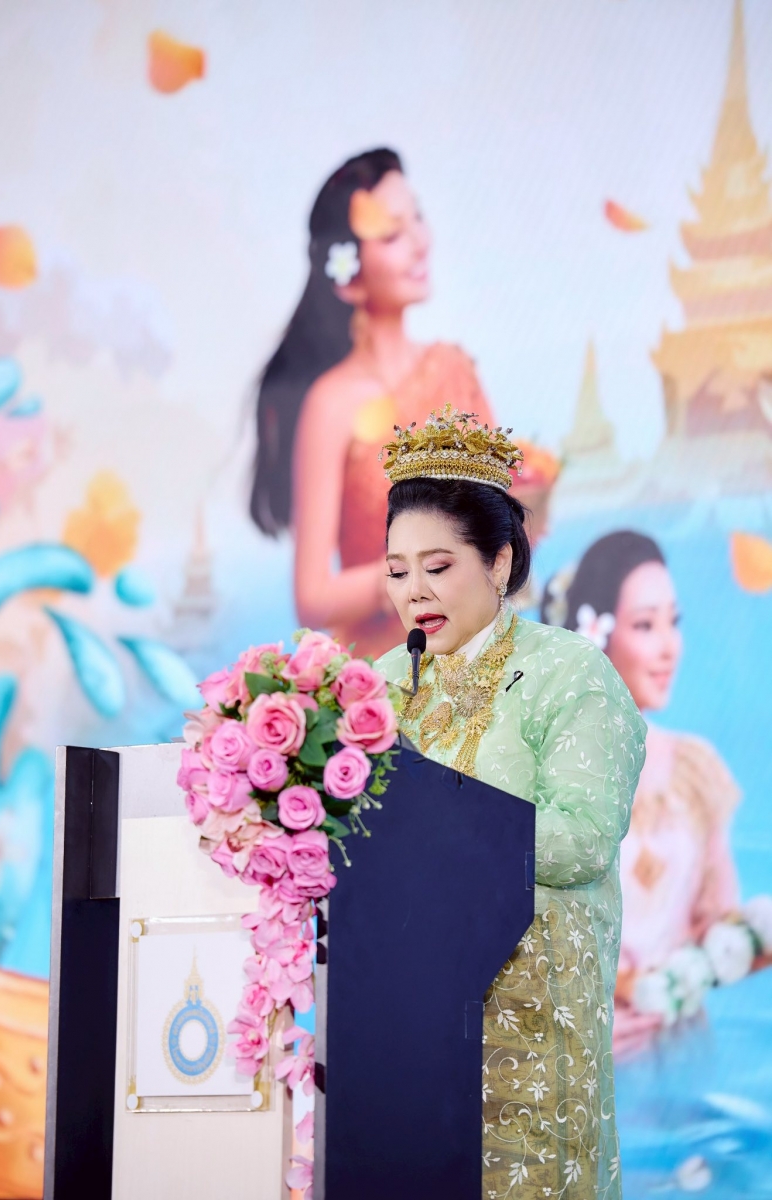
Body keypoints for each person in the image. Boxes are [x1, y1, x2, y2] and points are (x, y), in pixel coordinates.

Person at [375, 408, 646, 1199]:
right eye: (396, 572)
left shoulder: (571, 673)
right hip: (398, 1020)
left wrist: (439, 829)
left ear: (499, 562)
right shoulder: (378, 686)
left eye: (437, 566)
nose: (414, 592)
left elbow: (584, 837)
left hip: (526, 1023)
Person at [249, 148, 494, 658]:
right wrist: (417, 572)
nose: (420, 242)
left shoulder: (455, 371)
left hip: (479, 656)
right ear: (349, 274)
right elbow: (313, 596)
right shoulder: (332, 403)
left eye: (417, 218)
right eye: (391, 235)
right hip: (388, 674)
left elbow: (501, 517)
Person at [540, 532, 741, 1058]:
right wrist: (621, 986)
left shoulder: (694, 770)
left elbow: (719, 920)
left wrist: (745, 938)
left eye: (674, 621)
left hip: (683, 1052)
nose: (669, 646)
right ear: (597, 636)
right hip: (580, 1058)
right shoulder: (544, 772)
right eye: (646, 625)